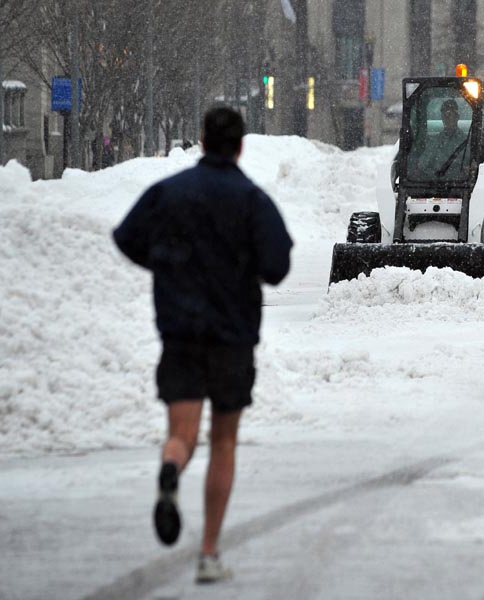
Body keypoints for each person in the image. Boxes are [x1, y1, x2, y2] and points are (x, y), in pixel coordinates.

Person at [112, 106, 293, 583]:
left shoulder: (169, 193)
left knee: (184, 434)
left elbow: (126, 237)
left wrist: (169, 263)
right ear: (240, 145)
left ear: (201, 140)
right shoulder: (251, 200)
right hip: (231, 339)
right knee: (225, 440)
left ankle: (171, 468)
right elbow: (277, 266)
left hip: (181, 335)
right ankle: (209, 552)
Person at [417, 98, 470, 179]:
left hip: (460, 185)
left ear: (457, 117)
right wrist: (436, 176)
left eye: (449, 114)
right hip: (436, 185)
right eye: (444, 115)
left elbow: (470, 165)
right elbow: (422, 165)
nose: (447, 118)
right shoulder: (435, 141)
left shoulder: (467, 142)